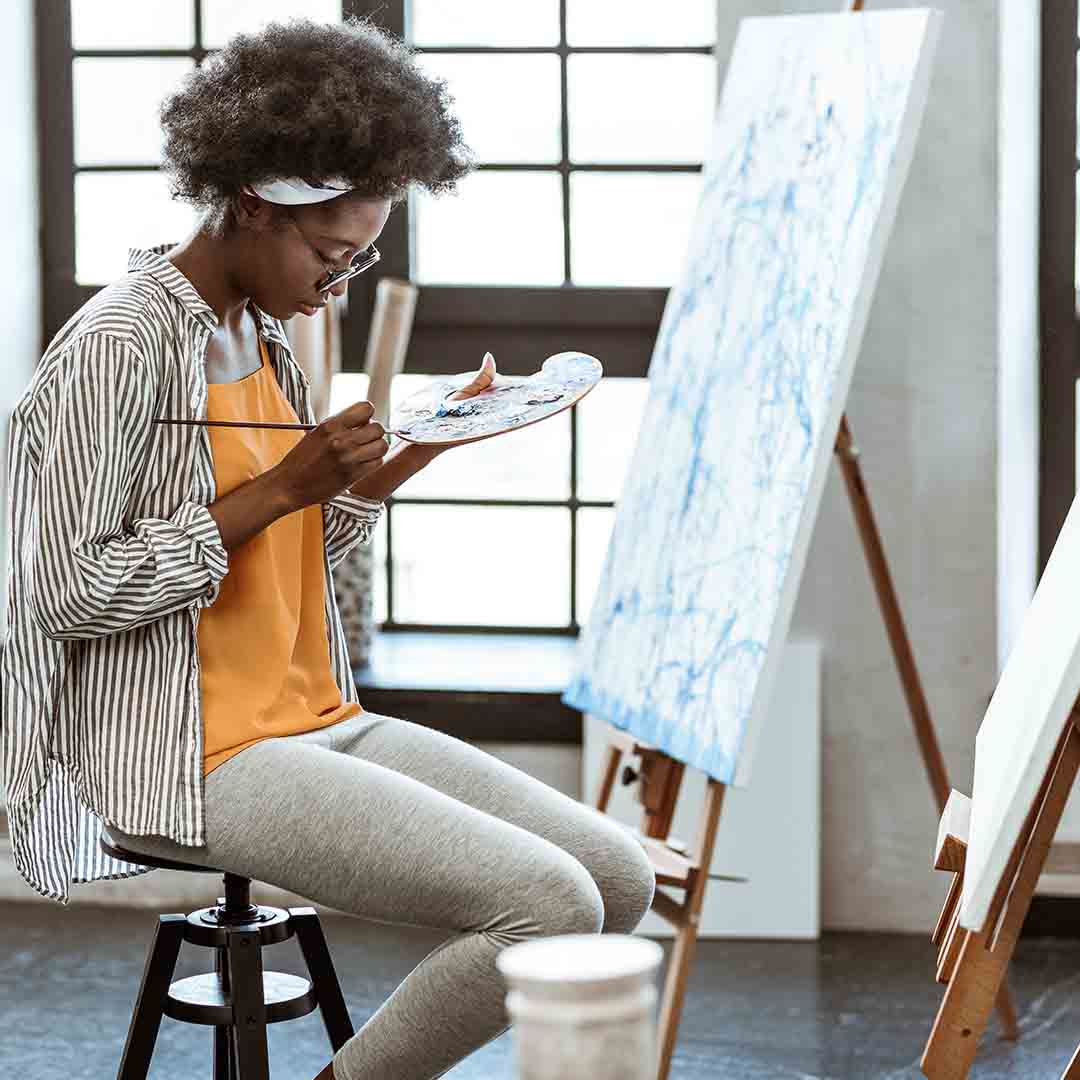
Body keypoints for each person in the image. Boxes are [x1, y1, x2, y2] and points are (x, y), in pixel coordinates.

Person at [0, 17, 655, 1080]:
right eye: (327, 254)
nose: (335, 283)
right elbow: (67, 590)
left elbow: (290, 541)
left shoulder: (260, 329)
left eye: (357, 259)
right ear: (254, 204)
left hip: (313, 719)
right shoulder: (120, 345)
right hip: (186, 751)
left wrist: (390, 470)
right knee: (547, 903)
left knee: (614, 880)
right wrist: (279, 488)